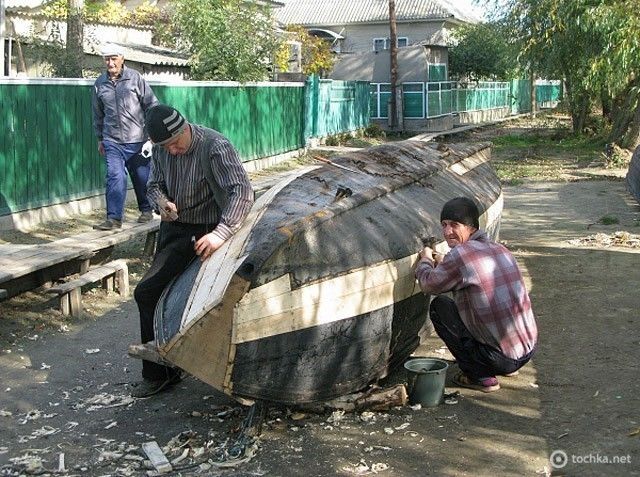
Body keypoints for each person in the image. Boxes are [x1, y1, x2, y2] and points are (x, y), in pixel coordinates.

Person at [131, 104, 254, 398]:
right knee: (148, 293)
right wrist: (162, 202)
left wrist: (219, 234)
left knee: (213, 299)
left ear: (185, 128)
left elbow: (242, 192)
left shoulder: (214, 146)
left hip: (213, 229)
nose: (171, 151)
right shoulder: (162, 150)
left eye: (175, 144)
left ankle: (222, 369)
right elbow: (153, 186)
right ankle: (160, 373)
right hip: (176, 229)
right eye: (165, 147)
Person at [415, 197, 538, 393]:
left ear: (471, 228)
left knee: (440, 307)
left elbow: (429, 284)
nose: (447, 232)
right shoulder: (499, 249)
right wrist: (444, 261)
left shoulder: (461, 255)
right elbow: (469, 269)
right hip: (526, 352)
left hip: (500, 359)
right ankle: (506, 366)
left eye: (454, 225)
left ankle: (481, 376)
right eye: (444, 225)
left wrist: (426, 260)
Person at [91, 43, 158, 230]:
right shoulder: (99, 84)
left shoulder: (135, 78)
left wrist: (152, 136)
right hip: (112, 140)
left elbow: (152, 105)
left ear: (122, 59)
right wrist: (100, 139)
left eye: (113, 58)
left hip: (138, 139)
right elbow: (98, 114)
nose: (110, 63)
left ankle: (146, 209)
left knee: (141, 177)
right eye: (107, 59)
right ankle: (113, 219)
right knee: (114, 176)